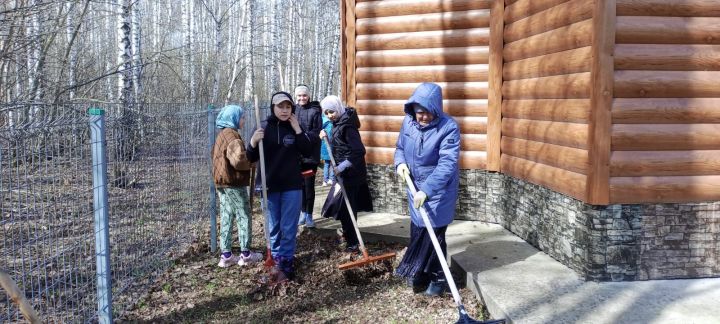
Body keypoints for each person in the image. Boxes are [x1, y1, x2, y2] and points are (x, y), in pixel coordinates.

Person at [393, 82, 460, 297]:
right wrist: (400, 163)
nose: (423, 117)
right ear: (413, 109)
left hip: (438, 191)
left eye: (428, 112)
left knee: (434, 238)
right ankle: (419, 273)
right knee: (417, 232)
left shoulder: (448, 127)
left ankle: (438, 280)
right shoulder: (408, 122)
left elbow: (447, 164)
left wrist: (427, 190)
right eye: (419, 112)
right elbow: (400, 147)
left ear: (436, 109)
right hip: (415, 188)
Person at [247, 92, 313, 281]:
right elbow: (250, 157)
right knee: (273, 227)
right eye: (280, 107)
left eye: (287, 107)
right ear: (273, 108)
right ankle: (274, 259)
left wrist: (298, 130)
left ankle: (286, 262)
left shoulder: (295, 127)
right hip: (269, 187)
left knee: (288, 227)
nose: (284, 111)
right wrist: (252, 142)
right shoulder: (263, 127)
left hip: (292, 185)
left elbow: (308, 150)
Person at [211, 105, 264, 268]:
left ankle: (226, 255)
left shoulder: (221, 136)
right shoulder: (232, 136)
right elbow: (239, 160)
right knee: (244, 215)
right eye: (242, 117)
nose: (244, 120)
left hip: (222, 183)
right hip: (234, 182)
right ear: (233, 118)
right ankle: (246, 254)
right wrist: (251, 162)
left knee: (227, 215)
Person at [319, 95, 373, 252]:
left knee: (347, 208)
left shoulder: (348, 126)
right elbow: (340, 146)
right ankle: (348, 236)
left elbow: (358, 151)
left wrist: (342, 167)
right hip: (342, 174)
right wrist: (326, 138)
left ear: (338, 109)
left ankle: (353, 242)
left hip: (352, 174)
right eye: (327, 113)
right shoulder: (336, 123)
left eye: (332, 112)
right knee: (342, 207)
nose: (330, 115)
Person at [294, 85, 323, 228]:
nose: (301, 98)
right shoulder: (293, 110)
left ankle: (309, 215)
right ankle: (302, 213)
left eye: (304, 95)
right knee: (299, 186)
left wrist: (303, 137)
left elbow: (316, 131)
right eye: (299, 95)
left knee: (309, 186)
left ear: (309, 96)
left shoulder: (315, 111)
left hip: (309, 157)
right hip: (296, 157)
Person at [320, 112, 335, 186]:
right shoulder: (331, 124)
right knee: (332, 164)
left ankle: (325, 180)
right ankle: (330, 179)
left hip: (325, 147)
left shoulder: (323, 124)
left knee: (327, 164)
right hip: (331, 147)